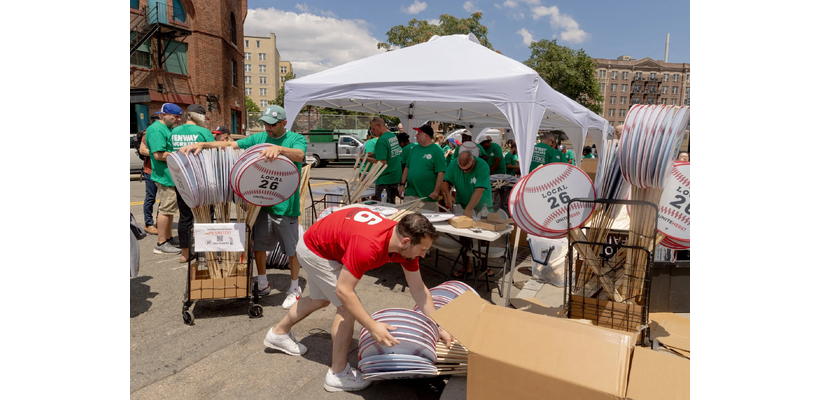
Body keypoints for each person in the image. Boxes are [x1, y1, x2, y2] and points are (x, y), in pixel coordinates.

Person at [262, 209, 453, 392]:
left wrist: (440, 325)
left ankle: (278, 334)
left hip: (323, 242)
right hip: (315, 249)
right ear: (405, 242)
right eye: (422, 250)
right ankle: (337, 375)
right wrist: (372, 326)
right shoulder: (368, 246)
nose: (423, 255)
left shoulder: (405, 246)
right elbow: (344, 291)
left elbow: (419, 289)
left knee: (319, 299)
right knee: (346, 308)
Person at [179, 105, 307, 307]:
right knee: (259, 246)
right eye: (265, 123)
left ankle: (294, 286)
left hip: (285, 207)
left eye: (272, 125)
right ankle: (263, 283)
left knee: (291, 249)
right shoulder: (259, 138)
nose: (268, 128)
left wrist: (279, 149)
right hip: (260, 204)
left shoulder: (295, 139)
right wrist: (203, 145)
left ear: (284, 123)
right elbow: (231, 146)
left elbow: (300, 155)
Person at [168, 104, 216, 263]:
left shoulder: (174, 132)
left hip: (181, 179)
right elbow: (213, 155)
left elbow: (171, 154)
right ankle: (208, 253)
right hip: (201, 180)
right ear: (199, 117)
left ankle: (185, 253)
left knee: (185, 216)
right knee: (205, 217)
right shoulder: (204, 132)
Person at [145, 103, 183, 255]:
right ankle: (161, 243)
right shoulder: (156, 129)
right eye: (175, 117)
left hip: (170, 176)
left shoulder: (166, 128)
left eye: (180, 117)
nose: (178, 120)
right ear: (163, 115)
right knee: (166, 209)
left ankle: (168, 238)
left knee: (169, 209)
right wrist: (179, 153)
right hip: (165, 176)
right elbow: (157, 155)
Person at [400, 124, 446, 211]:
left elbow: (441, 173)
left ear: (426, 136)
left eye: (419, 133)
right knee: (407, 219)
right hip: (410, 193)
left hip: (427, 195)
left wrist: (436, 191)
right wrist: (402, 184)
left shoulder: (437, 151)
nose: (416, 135)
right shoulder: (414, 149)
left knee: (427, 221)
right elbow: (407, 168)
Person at [364, 117, 402, 204]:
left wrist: (366, 158)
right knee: (392, 205)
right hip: (394, 177)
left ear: (379, 126)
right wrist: (374, 154)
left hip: (385, 179)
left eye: (373, 128)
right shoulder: (392, 136)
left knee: (384, 207)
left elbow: (382, 163)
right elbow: (389, 154)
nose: (373, 132)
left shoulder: (381, 140)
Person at [138, 126, 158, 235]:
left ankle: (160, 221)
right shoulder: (148, 133)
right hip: (150, 171)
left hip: (164, 172)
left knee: (165, 200)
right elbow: (142, 150)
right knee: (150, 197)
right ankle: (148, 224)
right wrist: (157, 153)